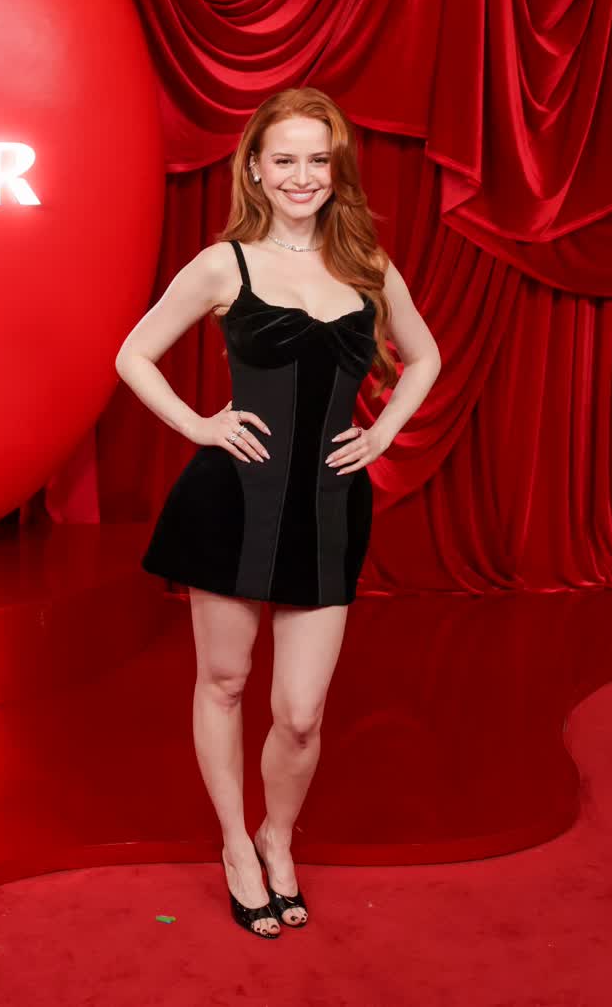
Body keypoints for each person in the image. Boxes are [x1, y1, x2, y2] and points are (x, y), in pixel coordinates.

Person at [113, 86, 442, 938]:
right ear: (255, 168)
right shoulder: (225, 264)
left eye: (317, 159)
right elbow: (134, 353)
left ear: (337, 170)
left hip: (329, 507)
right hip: (233, 500)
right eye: (284, 159)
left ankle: (277, 836)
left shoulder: (367, 265)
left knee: (300, 712)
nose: (302, 175)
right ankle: (236, 844)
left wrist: (384, 432)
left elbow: (425, 355)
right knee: (224, 682)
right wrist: (199, 424)